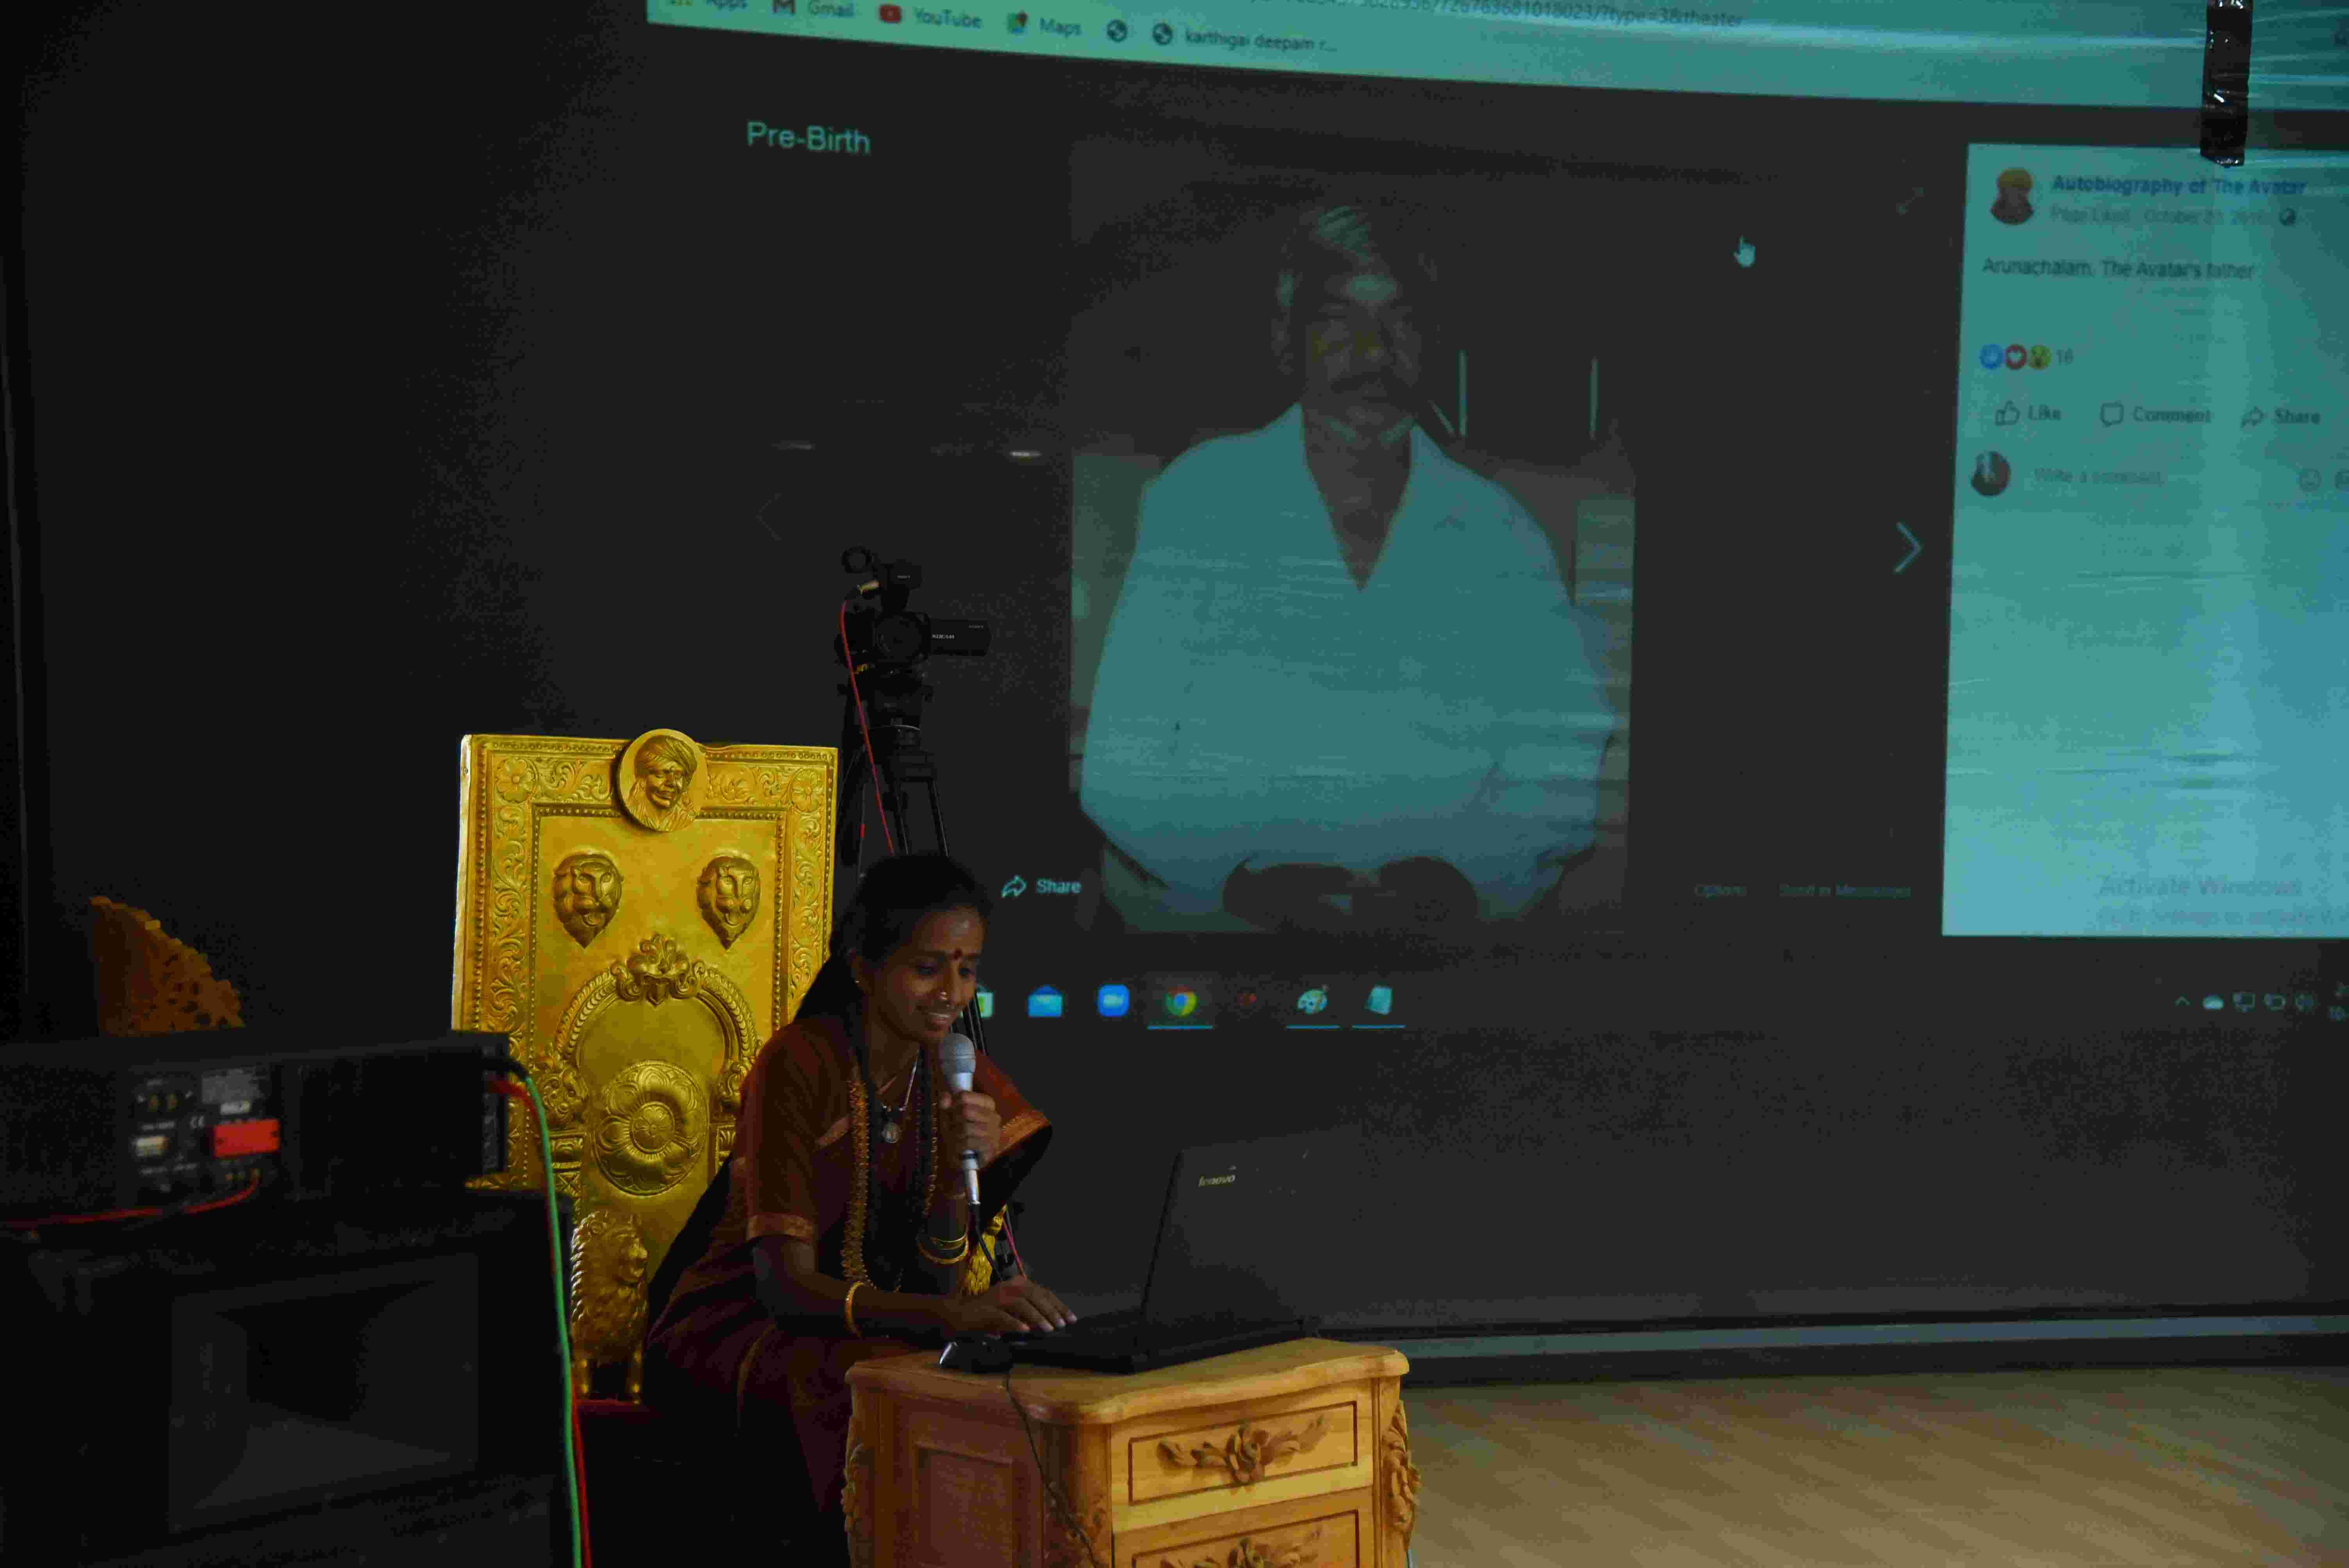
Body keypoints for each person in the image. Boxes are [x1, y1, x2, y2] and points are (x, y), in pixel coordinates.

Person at [1079, 200, 1617, 925]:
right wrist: (1239, 879)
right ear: (1287, 338)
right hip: (1224, 932)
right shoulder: (1199, 500)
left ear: (1432, 343)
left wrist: (1464, 882)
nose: (1373, 352)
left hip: (1444, 939)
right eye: (1339, 319)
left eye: (1402, 321)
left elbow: (1560, 760)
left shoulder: (1503, 532)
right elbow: (1123, 761)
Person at [644, 853, 1073, 1561]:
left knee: (996, 1378)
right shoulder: (799, 1063)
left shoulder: (954, 1068)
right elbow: (784, 1290)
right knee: (878, 1389)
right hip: (740, 1324)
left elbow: (935, 1283)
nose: (952, 994)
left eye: (968, 970)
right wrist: (954, 1318)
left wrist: (952, 1177)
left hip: (882, 1320)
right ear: (865, 969)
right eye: (928, 968)